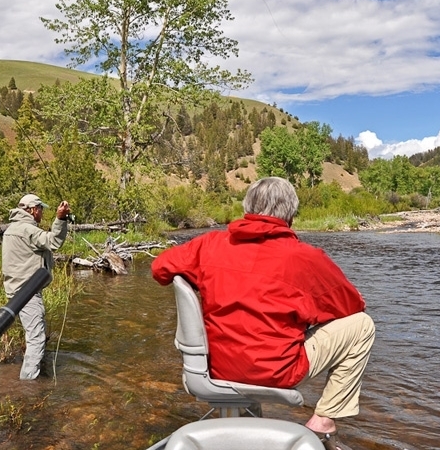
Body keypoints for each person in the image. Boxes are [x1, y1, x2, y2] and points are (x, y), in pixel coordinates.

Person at [151, 177, 374, 450]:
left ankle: (238, 420)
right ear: (290, 215)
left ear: (247, 208)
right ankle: (323, 420)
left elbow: (160, 268)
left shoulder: (207, 245)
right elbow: (353, 306)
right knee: (362, 325)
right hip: (278, 372)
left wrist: (205, 281)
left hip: (214, 367)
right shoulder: (306, 257)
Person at [2, 193, 70, 380]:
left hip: (16, 290)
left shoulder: (13, 228)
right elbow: (54, 242)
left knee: (34, 334)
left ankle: (28, 374)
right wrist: (61, 219)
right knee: (36, 339)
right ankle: (28, 385)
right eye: (40, 209)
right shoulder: (27, 230)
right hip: (27, 292)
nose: (41, 213)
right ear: (32, 210)